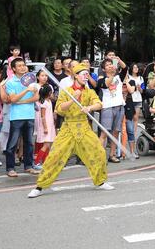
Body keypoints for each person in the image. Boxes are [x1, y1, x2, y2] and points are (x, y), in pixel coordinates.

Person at [28, 64, 114, 198]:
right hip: (68, 128)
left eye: (87, 74)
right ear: (76, 76)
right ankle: (40, 186)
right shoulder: (66, 91)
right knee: (55, 156)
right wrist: (73, 97)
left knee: (99, 152)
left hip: (84, 127)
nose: (86, 76)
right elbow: (60, 109)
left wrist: (89, 108)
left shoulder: (89, 91)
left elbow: (99, 104)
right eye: (83, 74)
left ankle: (100, 181)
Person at [1, 58, 39, 177]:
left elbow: (36, 97)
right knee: (12, 143)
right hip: (16, 116)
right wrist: (26, 90)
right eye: (19, 66)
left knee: (29, 143)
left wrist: (22, 101)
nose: (22, 67)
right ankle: (10, 168)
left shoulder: (32, 80)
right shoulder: (11, 82)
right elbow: (12, 99)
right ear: (13, 69)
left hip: (29, 115)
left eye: (24, 65)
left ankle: (28, 166)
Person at [97, 59, 125, 163]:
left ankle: (112, 155)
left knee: (116, 132)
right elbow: (106, 84)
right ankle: (100, 156)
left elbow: (125, 68)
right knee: (104, 133)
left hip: (119, 106)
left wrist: (118, 61)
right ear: (104, 69)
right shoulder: (101, 79)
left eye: (110, 64)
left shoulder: (119, 77)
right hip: (108, 107)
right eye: (107, 65)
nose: (110, 66)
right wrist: (112, 74)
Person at [33, 77, 56, 169]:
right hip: (45, 126)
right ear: (49, 93)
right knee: (46, 145)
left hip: (49, 125)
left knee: (48, 145)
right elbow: (43, 116)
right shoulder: (44, 103)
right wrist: (45, 127)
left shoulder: (48, 101)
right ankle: (37, 162)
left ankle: (45, 161)